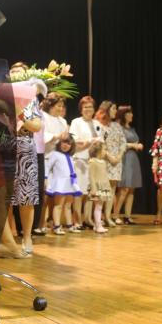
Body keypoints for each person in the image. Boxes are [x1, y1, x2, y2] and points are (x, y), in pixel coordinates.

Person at [10, 69, 44, 255]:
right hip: (4, 147)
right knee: (4, 197)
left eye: (19, 73)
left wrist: (20, 112)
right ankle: (7, 237)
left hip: (24, 150)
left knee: (26, 196)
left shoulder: (29, 100)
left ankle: (27, 236)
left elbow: (36, 126)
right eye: (13, 72)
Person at [35, 93, 73, 234]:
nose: (60, 108)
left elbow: (66, 140)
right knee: (44, 194)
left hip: (58, 161)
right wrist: (57, 136)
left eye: (62, 106)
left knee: (57, 194)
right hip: (45, 159)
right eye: (58, 105)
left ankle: (54, 223)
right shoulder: (43, 117)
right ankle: (40, 224)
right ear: (50, 105)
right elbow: (41, 136)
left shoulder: (62, 121)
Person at [69, 96, 104, 228]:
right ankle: (77, 220)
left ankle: (88, 219)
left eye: (90, 107)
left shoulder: (97, 124)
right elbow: (74, 140)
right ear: (81, 109)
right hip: (80, 159)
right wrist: (90, 141)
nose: (88, 109)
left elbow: (101, 139)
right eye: (85, 107)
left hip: (94, 162)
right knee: (80, 192)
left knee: (91, 192)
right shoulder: (76, 122)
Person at [95, 101, 126, 227]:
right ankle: (97, 217)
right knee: (102, 190)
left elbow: (123, 142)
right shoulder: (98, 125)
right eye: (113, 109)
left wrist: (118, 156)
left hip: (116, 161)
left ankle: (108, 216)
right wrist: (109, 156)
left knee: (112, 189)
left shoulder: (116, 126)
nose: (115, 111)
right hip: (104, 160)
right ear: (106, 110)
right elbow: (98, 144)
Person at [45, 135, 82, 234]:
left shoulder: (70, 157)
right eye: (64, 142)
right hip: (60, 183)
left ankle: (69, 225)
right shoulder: (55, 154)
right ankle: (56, 226)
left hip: (70, 183)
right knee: (58, 205)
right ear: (59, 143)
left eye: (69, 143)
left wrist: (75, 182)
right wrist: (46, 178)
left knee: (68, 205)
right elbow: (47, 167)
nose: (66, 145)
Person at [114, 106, 143, 224]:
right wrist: (132, 145)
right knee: (123, 188)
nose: (131, 115)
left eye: (131, 113)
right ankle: (115, 215)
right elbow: (117, 144)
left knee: (131, 189)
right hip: (124, 158)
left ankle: (127, 216)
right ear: (123, 115)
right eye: (128, 113)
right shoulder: (118, 128)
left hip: (133, 159)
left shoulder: (131, 128)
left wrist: (136, 145)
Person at [88, 142, 112, 233]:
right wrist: (93, 188)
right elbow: (91, 176)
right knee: (98, 207)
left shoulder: (103, 162)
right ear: (98, 151)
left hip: (103, 186)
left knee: (99, 207)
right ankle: (98, 226)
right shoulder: (93, 162)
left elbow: (104, 175)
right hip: (97, 188)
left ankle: (97, 224)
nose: (106, 152)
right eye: (104, 149)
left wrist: (107, 185)